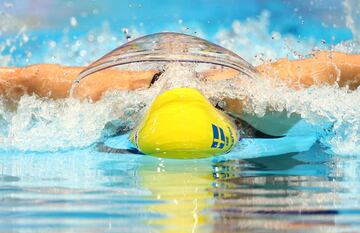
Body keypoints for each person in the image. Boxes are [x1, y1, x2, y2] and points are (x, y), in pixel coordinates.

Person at [0, 46, 359, 138]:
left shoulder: (262, 93)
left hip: (226, 89)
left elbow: (341, 68)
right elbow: (17, 80)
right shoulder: (110, 95)